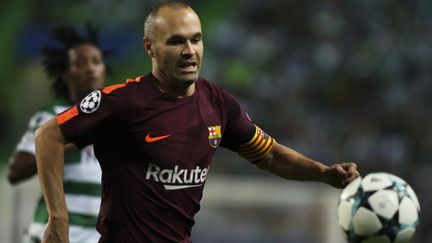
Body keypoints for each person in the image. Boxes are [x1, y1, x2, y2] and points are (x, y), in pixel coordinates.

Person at [35, 1, 360, 243]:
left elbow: (271, 155)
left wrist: (324, 173)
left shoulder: (218, 104)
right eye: (176, 41)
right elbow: (49, 135)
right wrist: (58, 218)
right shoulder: (123, 103)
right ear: (150, 46)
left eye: (196, 39)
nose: (189, 50)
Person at [7, 23, 110, 243]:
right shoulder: (51, 116)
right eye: (80, 63)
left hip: (99, 234)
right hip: (57, 232)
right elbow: (15, 171)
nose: (90, 68)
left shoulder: (114, 119)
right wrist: (69, 137)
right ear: (65, 73)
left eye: (96, 62)